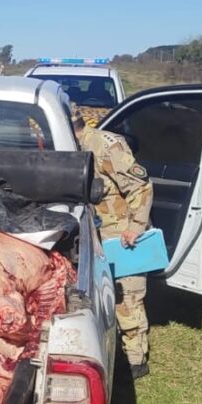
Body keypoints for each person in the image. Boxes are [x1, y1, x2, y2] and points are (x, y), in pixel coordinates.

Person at [77, 119, 154, 378]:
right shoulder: (70, 145)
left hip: (122, 236)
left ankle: (135, 361)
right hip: (95, 234)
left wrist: (136, 227)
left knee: (127, 297)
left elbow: (141, 187)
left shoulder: (105, 146)